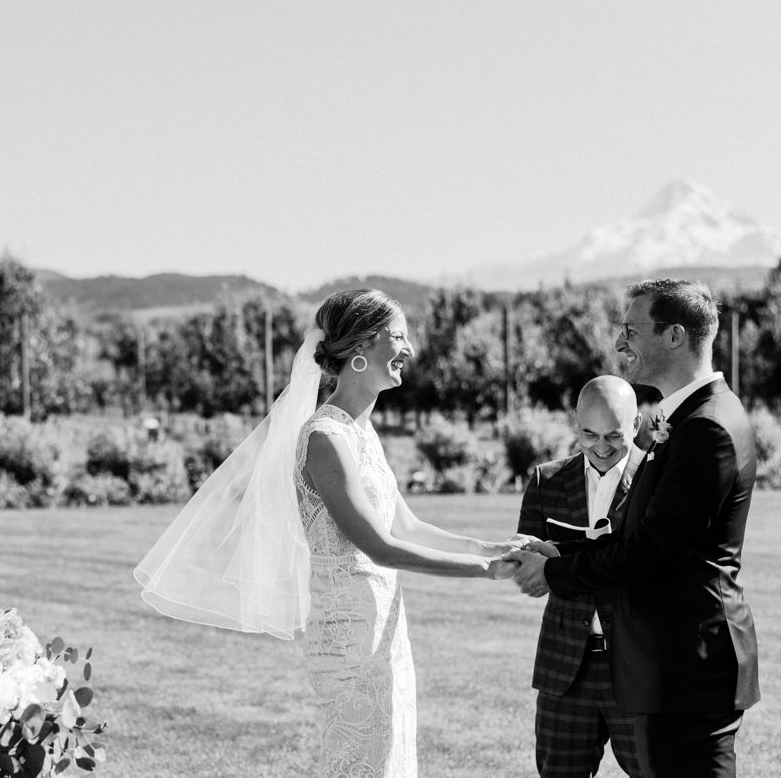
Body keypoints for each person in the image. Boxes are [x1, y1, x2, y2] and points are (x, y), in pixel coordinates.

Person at [136, 289, 521, 778]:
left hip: (383, 632)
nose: (410, 350)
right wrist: (485, 571)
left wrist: (492, 546)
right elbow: (379, 546)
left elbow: (407, 525)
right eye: (398, 337)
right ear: (361, 347)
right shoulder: (325, 439)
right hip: (349, 644)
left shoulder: (362, 434)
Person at [508, 279, 760, 778]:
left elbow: (650, 554)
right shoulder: (688, 419)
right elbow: (639, 534)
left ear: (674, 336)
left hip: (686, 665)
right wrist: (558, 551)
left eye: (631, 330)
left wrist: (554, 575)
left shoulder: (705, 428)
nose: (621, 344)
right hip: (670, 666)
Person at [516, 375, 644, 778]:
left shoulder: (658, 480)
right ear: (576, 424)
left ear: (637, 425)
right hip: (565, 665)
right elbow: (529, 572)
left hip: (640, 663)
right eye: (589, 434)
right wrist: (527, 563)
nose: (601, 447)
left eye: (614, 435)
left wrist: (565, 566)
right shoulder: (546, 481)